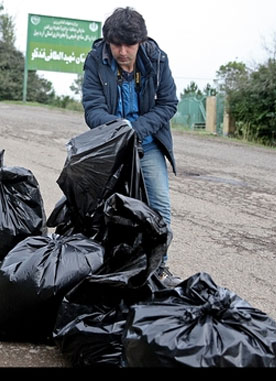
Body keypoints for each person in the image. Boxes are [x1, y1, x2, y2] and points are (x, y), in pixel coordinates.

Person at [82, 7, 181, 287]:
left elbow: (168, 104)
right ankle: (106, 266)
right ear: (107, 42)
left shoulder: (157, 60)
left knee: (159, 208)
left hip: (147, 145)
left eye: (130, 44)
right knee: (103, 211)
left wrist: (135, 130)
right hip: (112, 146)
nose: (123, 51)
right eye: (116, 44)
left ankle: (159, 268)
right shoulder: (95, 60)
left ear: (141, 41)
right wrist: (119, 129)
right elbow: (92, 109)